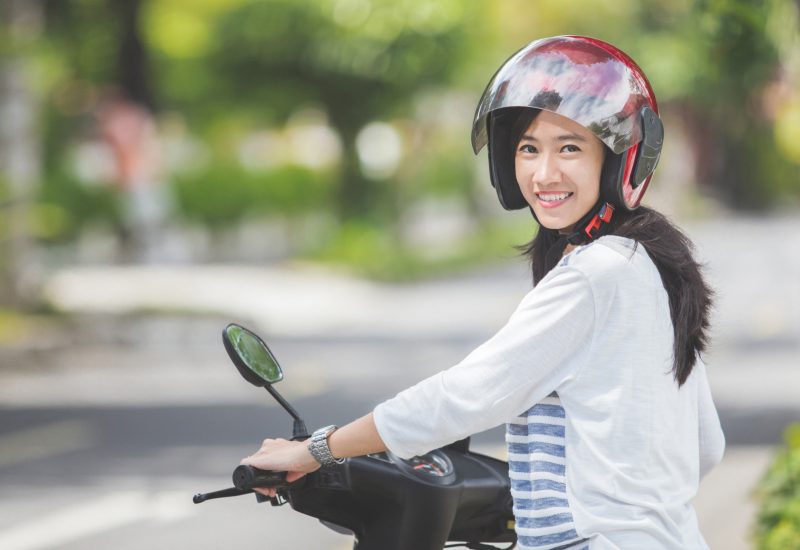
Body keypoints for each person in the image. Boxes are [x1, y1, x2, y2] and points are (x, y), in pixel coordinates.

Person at [241, 35, 725, 549]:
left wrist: (318, 450)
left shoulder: (594, 275)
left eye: (570, 147)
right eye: (528, 149)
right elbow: (705, 446)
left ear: (617, 159)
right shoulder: (650, 263)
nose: (544, 173)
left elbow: (465, 395)